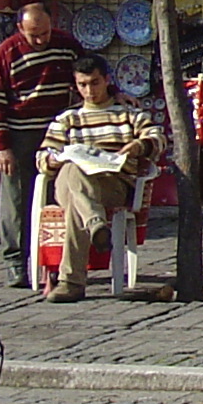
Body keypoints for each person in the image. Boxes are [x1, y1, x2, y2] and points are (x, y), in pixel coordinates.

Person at [33, 56, 161, 301]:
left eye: (94, 83)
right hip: (72, 180)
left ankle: (72, 282)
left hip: (110, 183)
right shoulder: (67, 119)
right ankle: (95, 225)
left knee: (75, 202)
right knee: (72, 170)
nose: (89, 91)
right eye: (82, 85)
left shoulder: (127, 114)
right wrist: (55, 160)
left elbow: (156, 139)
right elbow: (43, 155)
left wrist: (138, 146)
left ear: (106, 81)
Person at [0, 2, 83, 289]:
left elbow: (86, 75)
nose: (41, 40)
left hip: (56, 131)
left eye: (45, 33)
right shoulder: (8, 52)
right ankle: (16, 261)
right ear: (20, 29)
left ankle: (52, 263)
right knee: (16, 198)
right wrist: (1, 145)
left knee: (55, 197)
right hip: (20, 132)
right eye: (34, 35)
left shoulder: (65, 44)